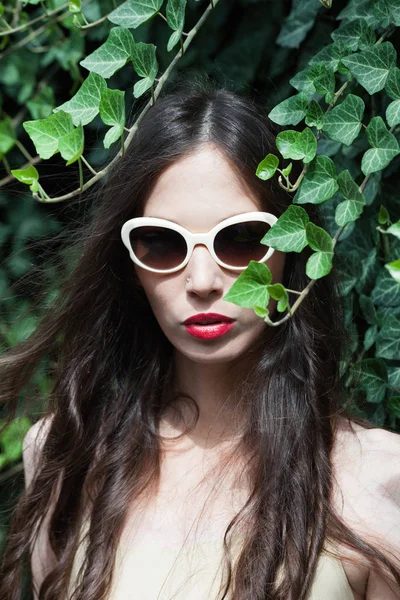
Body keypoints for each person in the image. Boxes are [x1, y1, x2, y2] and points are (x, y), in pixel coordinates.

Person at [0, 75, 399, 600]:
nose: (204, 280)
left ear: (290, 248)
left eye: (240, 239)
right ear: (129, 266)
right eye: (162, 244)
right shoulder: (66, 456)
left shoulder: (381, 478)